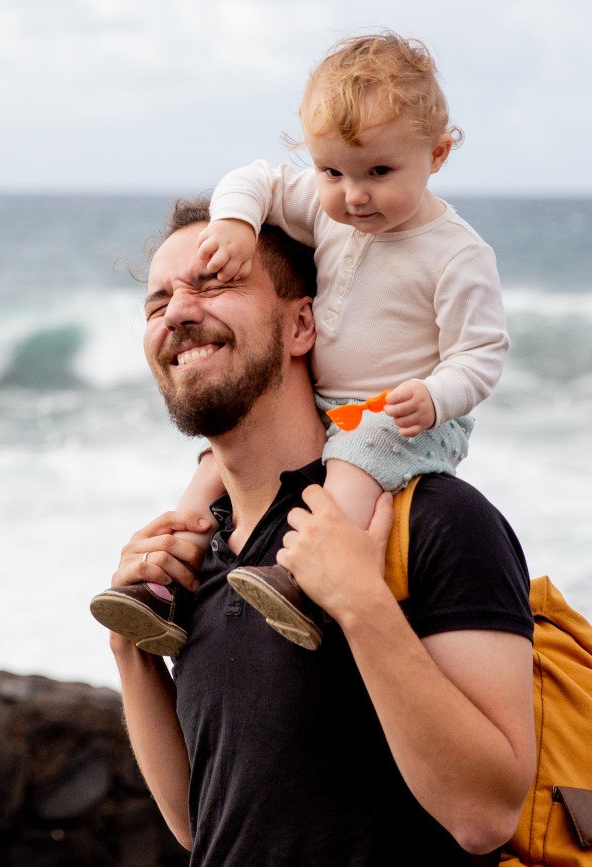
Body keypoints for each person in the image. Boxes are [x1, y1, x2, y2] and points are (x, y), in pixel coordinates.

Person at [99, 198, 535, 865]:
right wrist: (131, 653)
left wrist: (359, 602)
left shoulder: (434, 519)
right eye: (157, 304)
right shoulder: (203, 556)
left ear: (302, 323)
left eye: (214, 283)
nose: (179, 313)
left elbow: (487, 812)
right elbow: (205, 822)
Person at [94, 30, 511, 653]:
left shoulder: (456, 254)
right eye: (331, 171)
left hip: (403, 417)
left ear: (439, 154)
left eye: (379, 171)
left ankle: (300, 582)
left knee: (355, 456)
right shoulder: (327, 209)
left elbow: (482, 352)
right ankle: (164, 581)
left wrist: (435, 394)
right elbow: (254, 178)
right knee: (214, 466)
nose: (354, 194)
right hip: (331, 403)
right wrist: (234, 226)